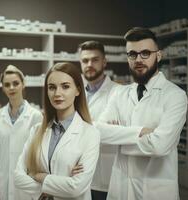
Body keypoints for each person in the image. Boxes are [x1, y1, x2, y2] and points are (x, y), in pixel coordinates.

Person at [94, 27, 188, 200]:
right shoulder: (119, 93)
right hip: (120, 188)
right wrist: (141, 132)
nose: (138, 59)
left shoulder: (175, 96)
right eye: (132, 54)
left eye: (145, 53)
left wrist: (117, 137)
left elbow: (159, 146)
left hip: (155, 191)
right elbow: (98, 132)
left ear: (158, 56)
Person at [14, 62, 100, 200]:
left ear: (78, 90)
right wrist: (58, 185)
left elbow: (76, 188)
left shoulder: (90, 134)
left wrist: (38, 176)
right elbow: (18, 177)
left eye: (65, 87)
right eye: (52, 87)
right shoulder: (36, 130)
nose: (57, 93)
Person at [0, 65, 43, 200]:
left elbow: (39, 154)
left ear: (23, 85)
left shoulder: (36, 116)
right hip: (2, 181)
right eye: (7, 84)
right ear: (3, 88)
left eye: (15, 83)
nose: (11, 87)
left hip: (27, 181)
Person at [78, 40, 119, 200]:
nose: (89, 64)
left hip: (105, 175)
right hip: (77, 173)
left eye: (95, 60)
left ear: (104, 62)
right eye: (85, 60)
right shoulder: (75, 92)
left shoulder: (119, 93)